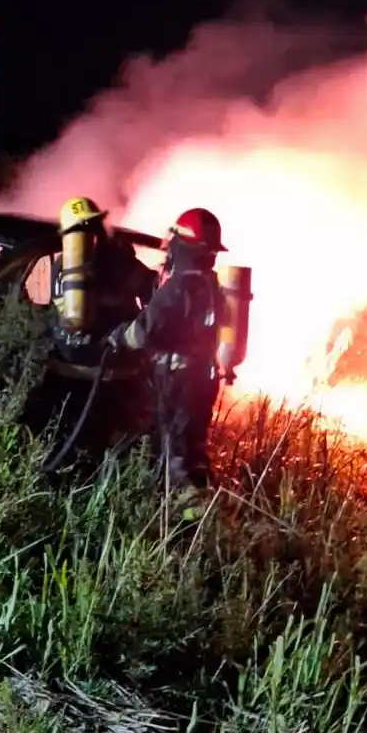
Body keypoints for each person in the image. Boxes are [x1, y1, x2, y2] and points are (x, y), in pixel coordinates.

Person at [105, 207, 228, 518]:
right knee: (194, 450)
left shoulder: (177, 288)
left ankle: (188, 528)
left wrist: (117, 337)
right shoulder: (212, 286)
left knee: (175, 454)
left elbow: (143, 332)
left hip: (177, 382)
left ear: (181, 245)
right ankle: (205, 510)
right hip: (202, 380)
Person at [36, 196, 158, 464]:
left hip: (65, 369)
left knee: (67, 441)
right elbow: (153, 294)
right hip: (112, 373)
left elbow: (57, 313)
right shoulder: (120, 263)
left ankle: (66, 487)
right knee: (112, 448)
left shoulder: (61, 267)